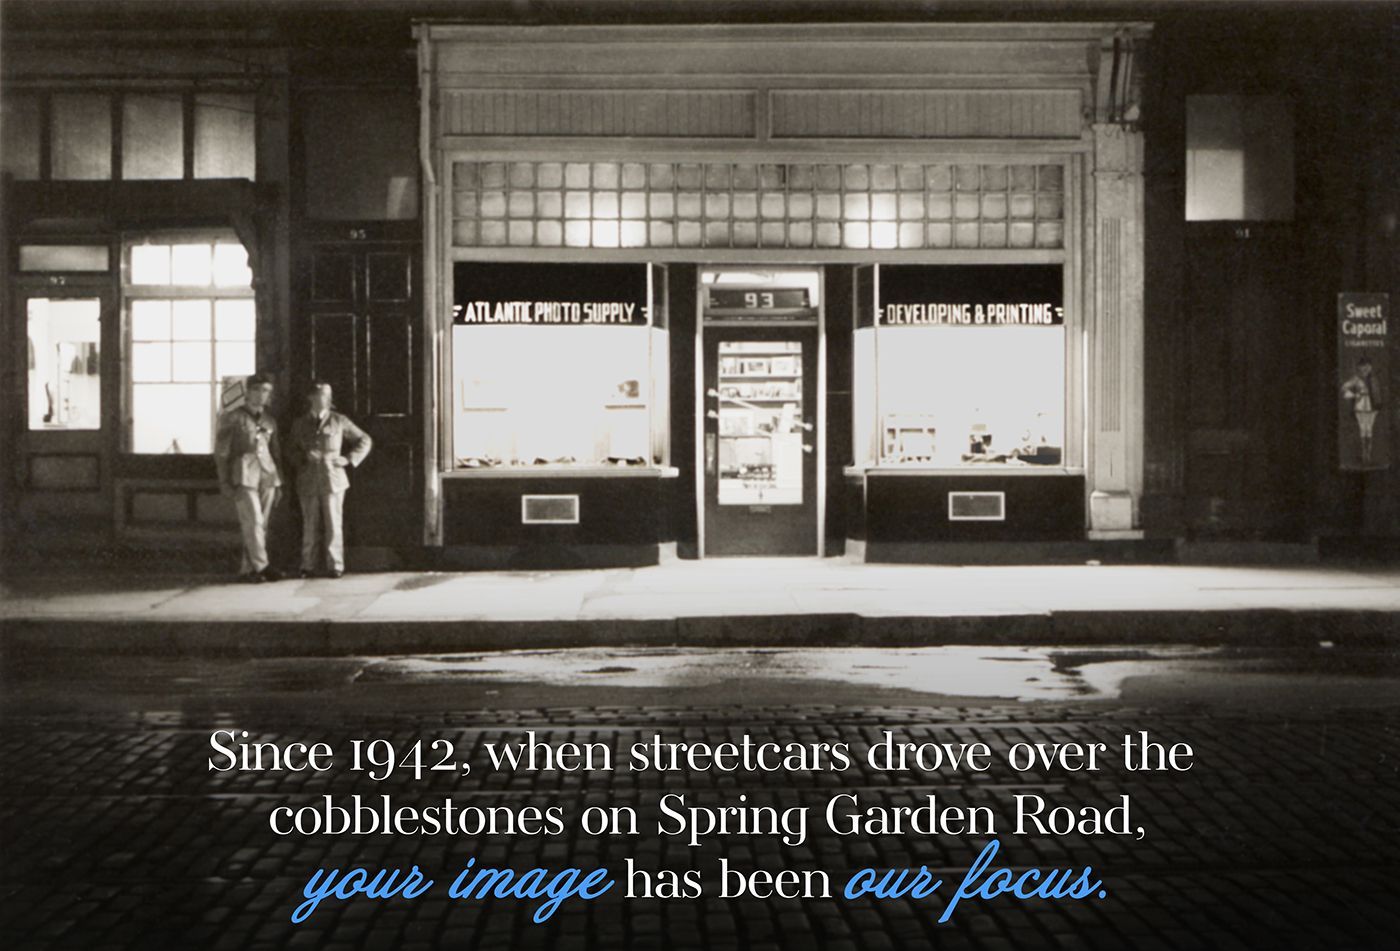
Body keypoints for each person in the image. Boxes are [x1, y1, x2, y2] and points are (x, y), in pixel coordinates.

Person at [287, 382, 372, 579]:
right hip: (307, 479)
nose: (325, 398)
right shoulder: (300, 424)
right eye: (320, 395)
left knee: (334, 523)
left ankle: (335, 565)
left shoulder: (339, 421)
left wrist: (349, 459)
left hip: (333, 479)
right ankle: (307, 565)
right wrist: (303, 457)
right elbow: (289, 449)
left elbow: (364, 440)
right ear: (311, 398)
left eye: (327, 395)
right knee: (310, 524)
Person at [215, 374, 283, 583]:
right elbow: (222, 453)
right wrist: (224, 481)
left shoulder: (269, 420)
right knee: (252, 522)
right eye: (258, 390)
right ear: (248, 391)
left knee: (261, 525)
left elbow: (275, 452)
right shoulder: (232, 418)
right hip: (243, 475)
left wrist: (280, 481)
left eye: (266, 391)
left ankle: (248, 569)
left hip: (268, 475)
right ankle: (263, 566)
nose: (262, 395)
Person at [1341, 357, 1384, 467]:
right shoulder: (1356, 379)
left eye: (1368, 366)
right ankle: (1364, 455)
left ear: (1370, 367)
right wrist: (1355, 395)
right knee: (1363, 429)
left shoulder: (1374, 378)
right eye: (1363, 366)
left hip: (1373, 407)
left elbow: (1378, 393)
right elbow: (1344, 388)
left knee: (1369, 429)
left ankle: (1368, 456)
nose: (1365, 368)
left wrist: (1378, 405)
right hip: (1360, 406)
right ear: (1359, 367)